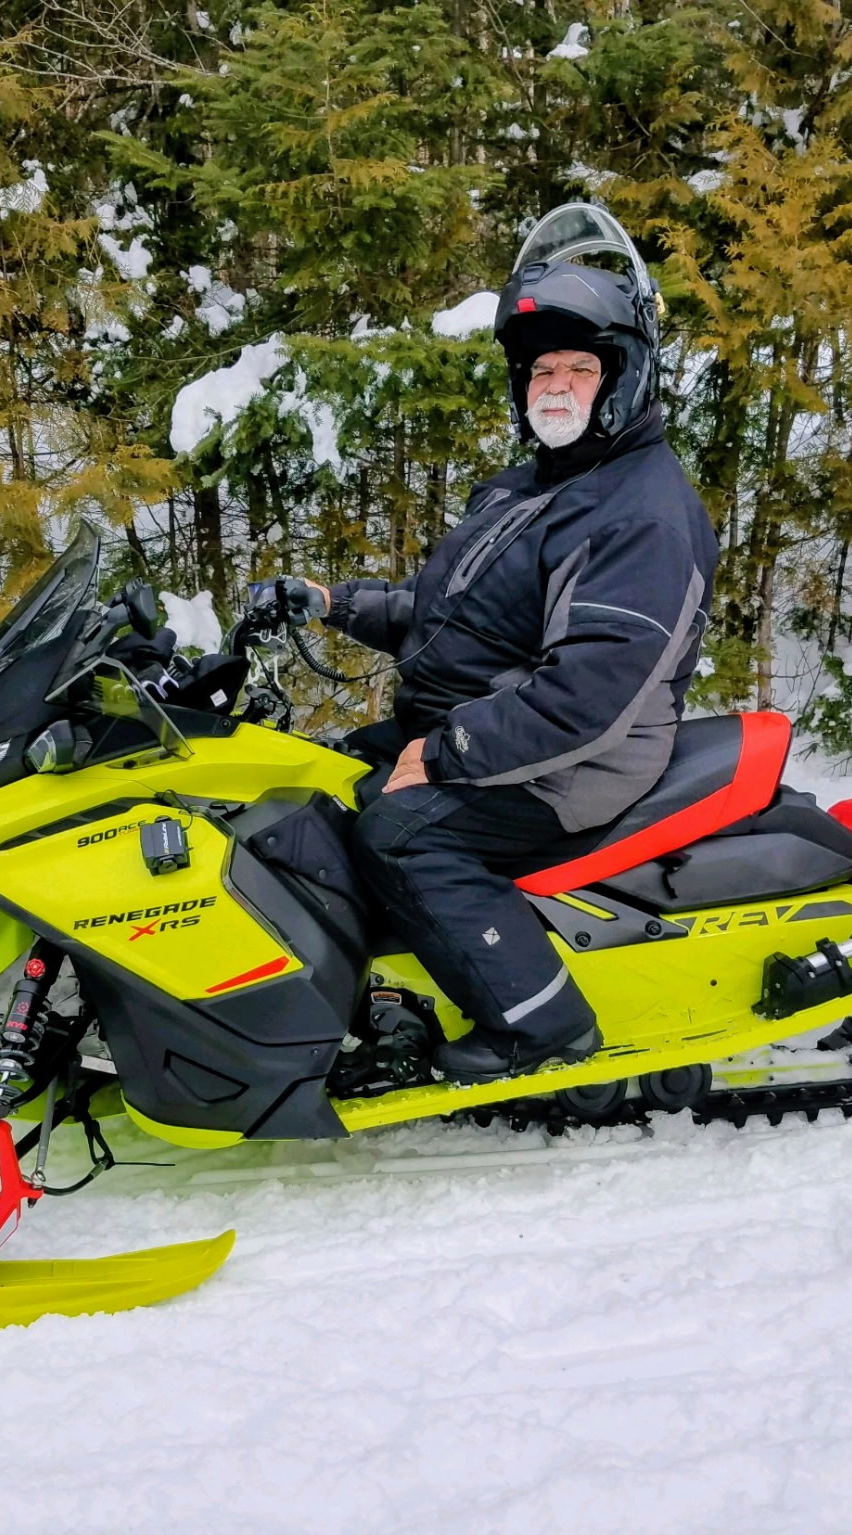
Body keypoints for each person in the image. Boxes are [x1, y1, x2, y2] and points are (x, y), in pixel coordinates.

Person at [261, 205, 719, 1082]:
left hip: (574, 759)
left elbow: (589, 694)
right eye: (541, 368)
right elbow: (451, 618)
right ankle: (363, 986)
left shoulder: (642, 512)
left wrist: (443, 753)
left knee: (400, 830)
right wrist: (329, 601)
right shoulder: (535, 486)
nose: (554, 384)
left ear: (622, 378)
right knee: (301, 787)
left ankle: (538, 1026)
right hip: (477, 723)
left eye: (579, 367)